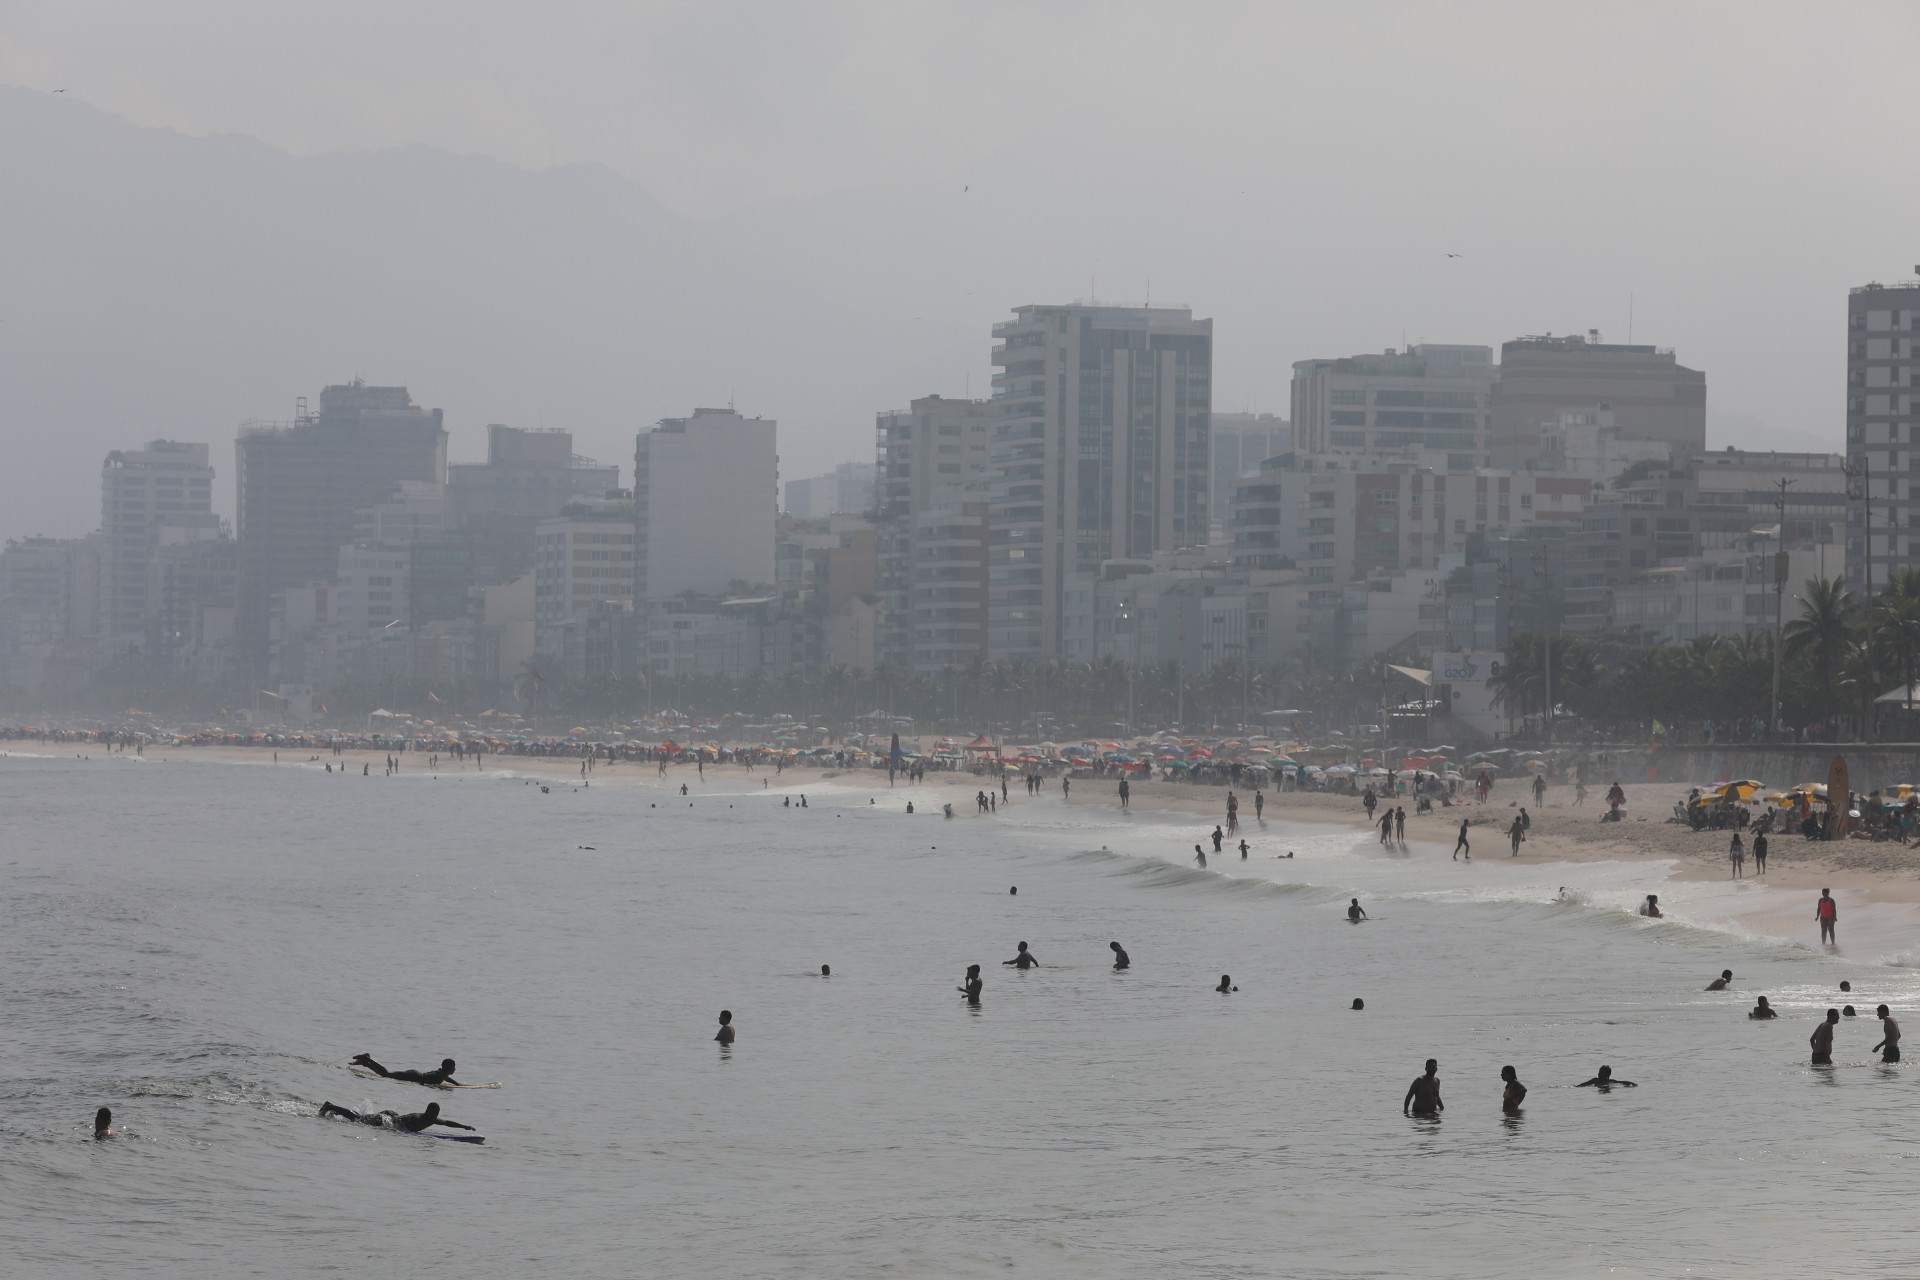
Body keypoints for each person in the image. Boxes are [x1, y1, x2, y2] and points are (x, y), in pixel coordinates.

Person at [319, 1100, 475, 1133]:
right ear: (427, 1111)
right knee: (358, 1120)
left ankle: (332, 1109)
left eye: (436, 1114)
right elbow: (396, 1121)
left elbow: (448, 1123)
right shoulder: (418, 1117)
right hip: (388, 1118)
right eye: (433, 1113)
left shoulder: (432, 1119)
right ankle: (330, 1106)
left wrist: (464, 1127)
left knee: (359, 1118)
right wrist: (389, 1130)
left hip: (392, 1116)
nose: (435, 1116)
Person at [351, 1054, 460, 1087]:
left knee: (386, 1075)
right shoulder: (440, 1075)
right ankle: (368, 1058)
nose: (454, 1069)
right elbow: (428, 1080)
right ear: (449, 1069)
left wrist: (457, 1084)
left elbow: (448, 1079)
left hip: (414, 1074)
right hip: (412, 1076)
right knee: (386, 1074)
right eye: (453, 1068)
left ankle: (365, 1063)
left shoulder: (442, 1074)